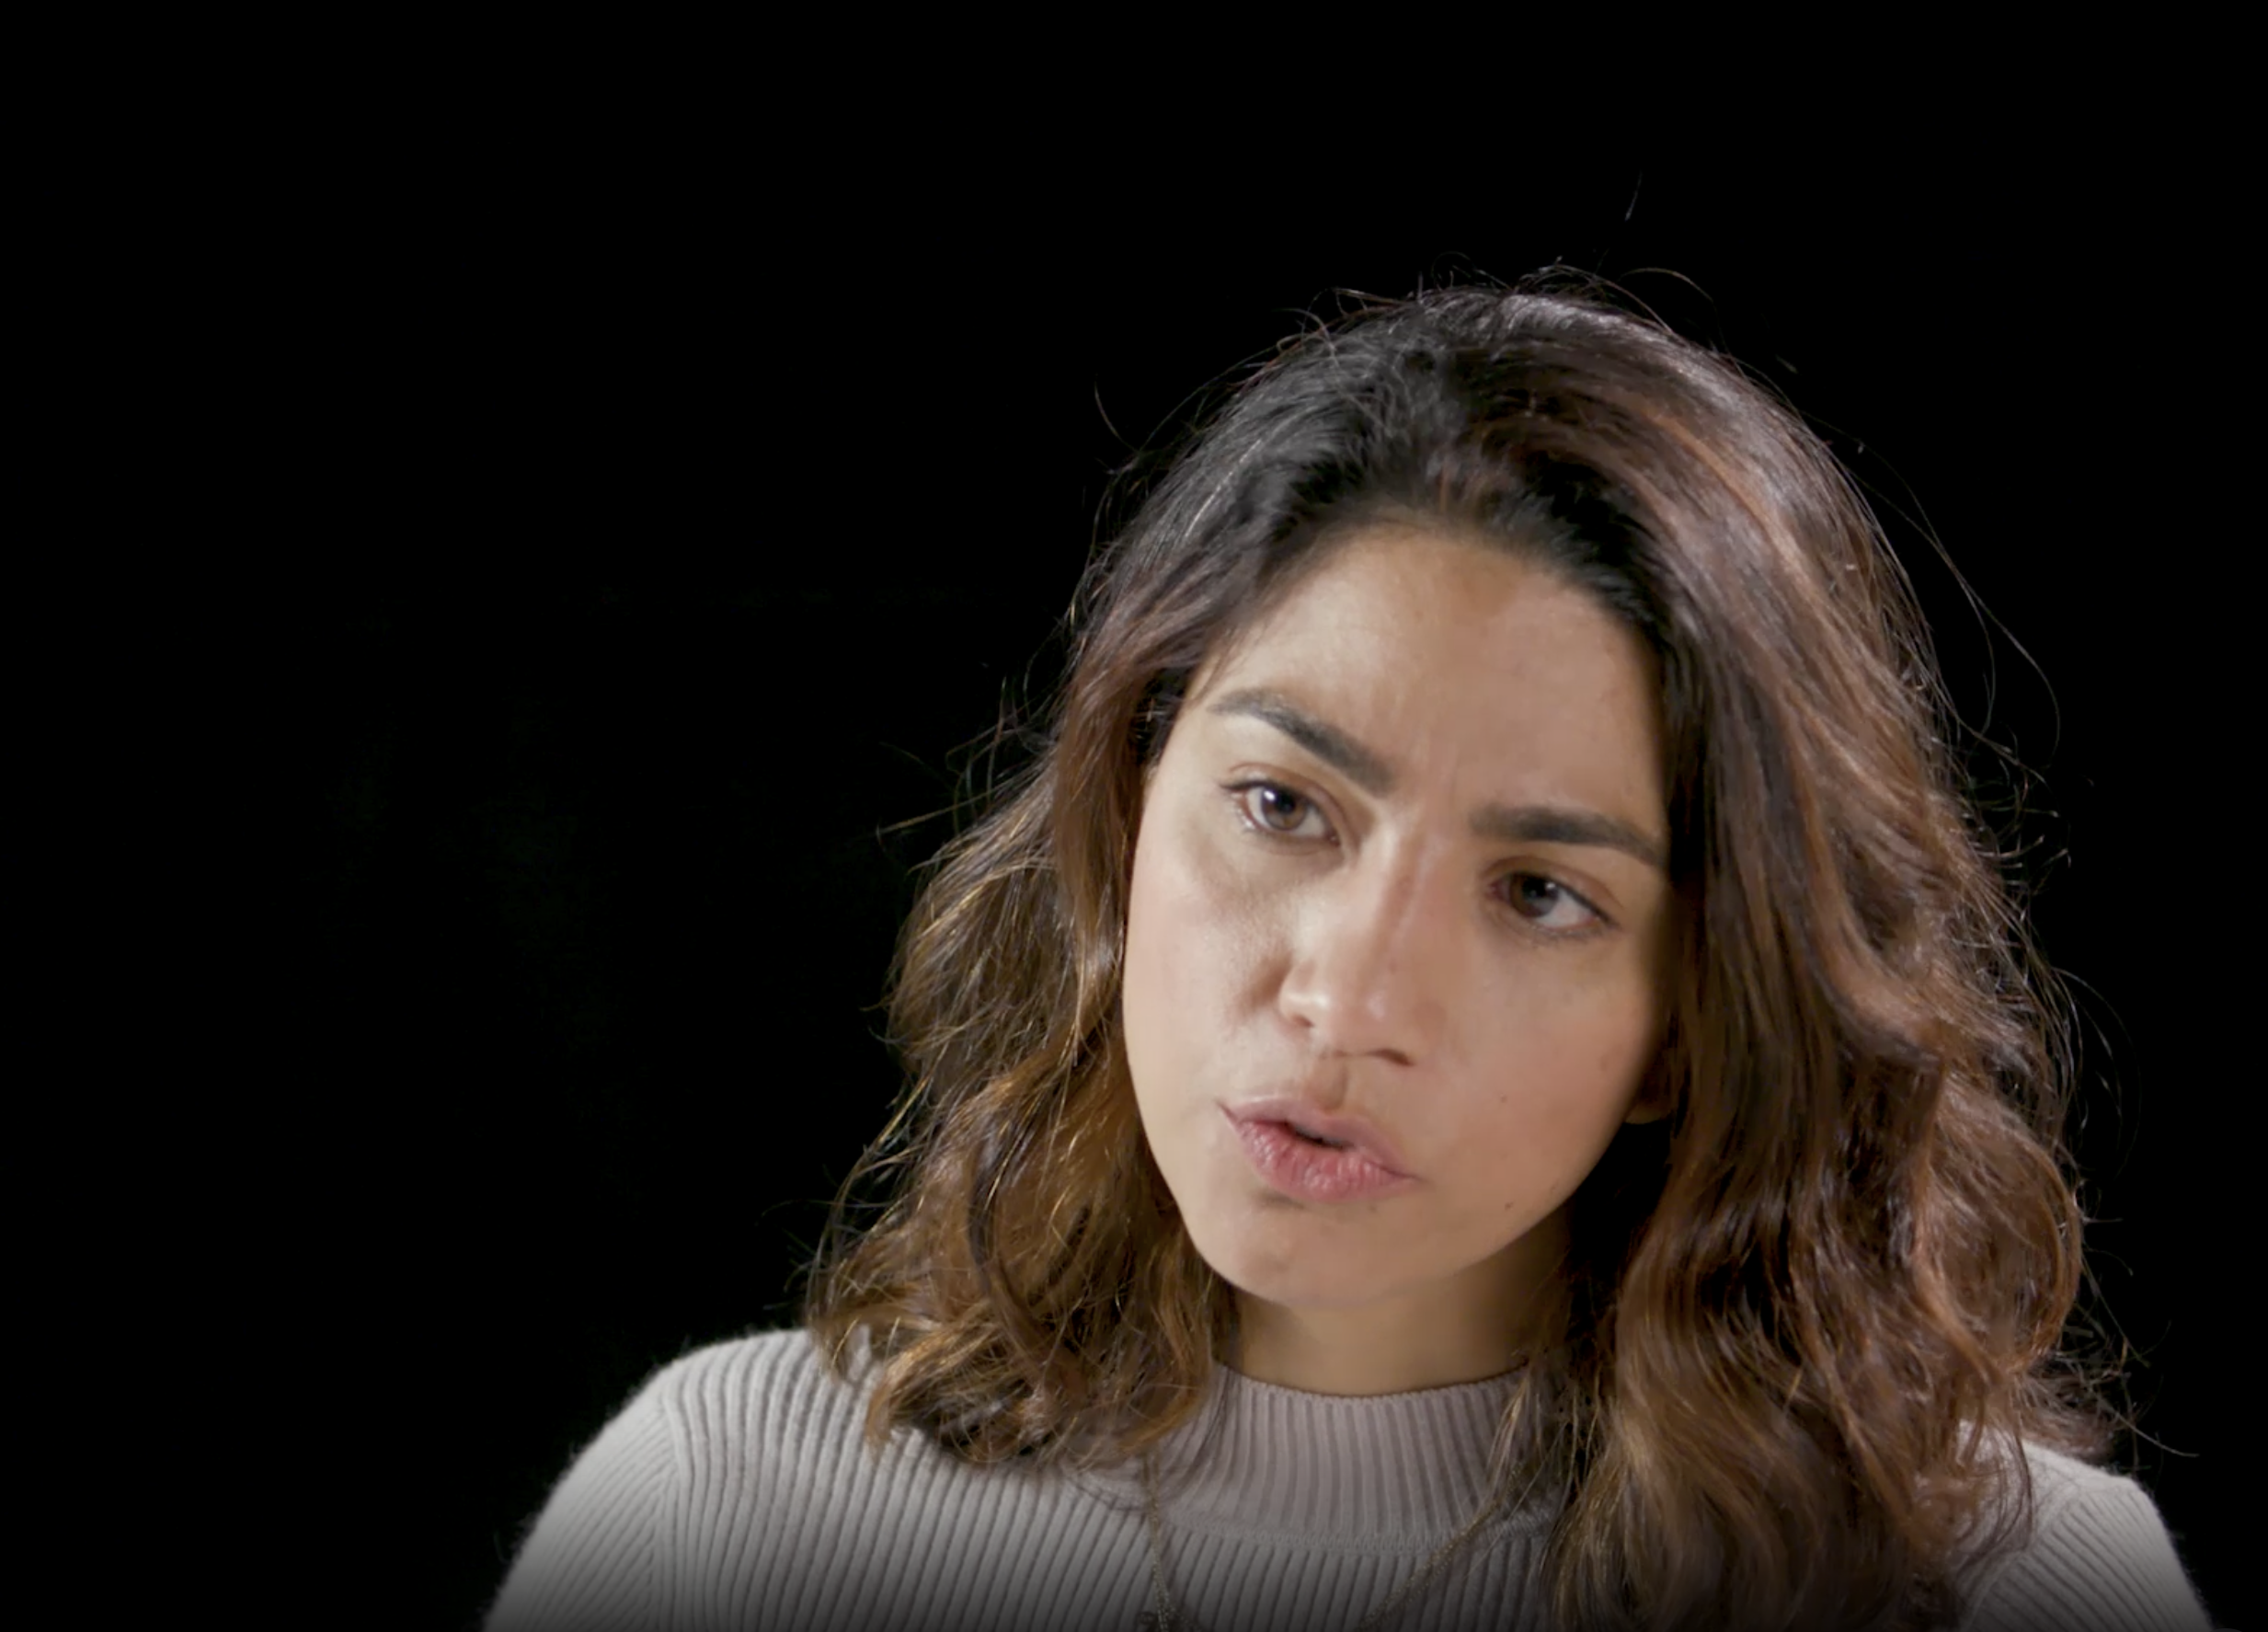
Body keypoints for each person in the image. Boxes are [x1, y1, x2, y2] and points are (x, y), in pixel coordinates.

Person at [486, 283, 2213, 1630]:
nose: (1345, 996)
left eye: (1540, 891)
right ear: (1124, 798)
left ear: (1693, 1026)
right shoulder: (730, 1515)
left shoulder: (2003, 1590)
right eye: (1280, 803)